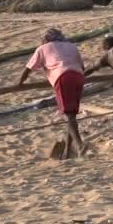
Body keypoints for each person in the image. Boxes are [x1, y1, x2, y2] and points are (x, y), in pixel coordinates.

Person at [18, 28, 86, 159]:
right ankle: (67, 151)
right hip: (78, 77)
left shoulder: (42, 48)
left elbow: (28, 69)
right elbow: (82, 67)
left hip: (63, 77)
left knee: (69, 115)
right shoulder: (71, 46)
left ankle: (80, 145)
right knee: (71, 114)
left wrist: (20, 83)